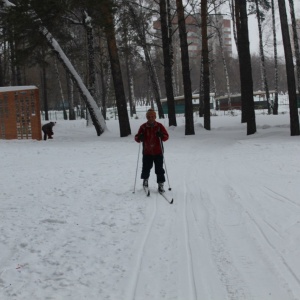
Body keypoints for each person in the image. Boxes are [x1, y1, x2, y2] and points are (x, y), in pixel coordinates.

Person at [135, 108, 169, 192]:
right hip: (147, 152)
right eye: (149, 116)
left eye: (152, 116)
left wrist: (161, 135)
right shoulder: (143, 127)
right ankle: (145, 181)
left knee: (159, 169)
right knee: (146, 168)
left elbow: (166, 137)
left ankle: (161, 184)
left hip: (158, 152)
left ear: (155, 117)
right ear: (147, 117)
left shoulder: (159, 126)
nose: (150, 118)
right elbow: (137, 138)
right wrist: (139, 137)